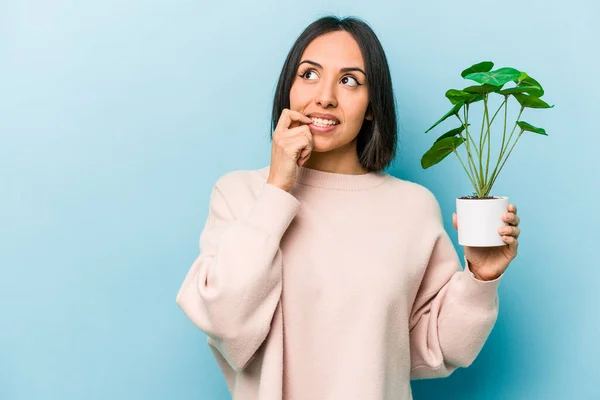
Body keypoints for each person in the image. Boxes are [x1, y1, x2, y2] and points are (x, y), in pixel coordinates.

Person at [176, 15, 521, 400]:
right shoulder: (240, 194)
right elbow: (225, 322)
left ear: (372, 105)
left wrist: (480, 280)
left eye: (349, 80)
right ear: (288, 88)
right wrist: (277, 189)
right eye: (309, 75)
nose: (324, 96)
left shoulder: (412, 207)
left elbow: (435, 349)